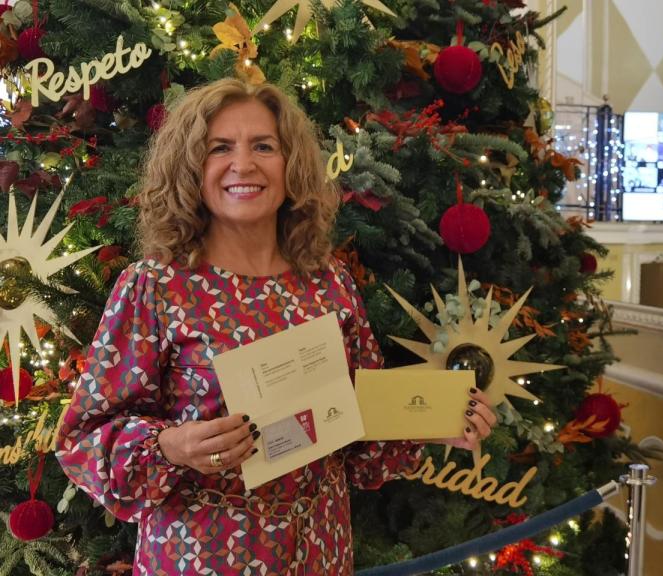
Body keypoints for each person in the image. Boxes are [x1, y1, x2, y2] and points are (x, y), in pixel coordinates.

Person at [55, 78, 497, 575]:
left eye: (263, 146)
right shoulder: (156, 286)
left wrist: (435, 421)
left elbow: (362, 438)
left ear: (292, 166)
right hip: (201, 557)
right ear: (191, 169)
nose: (243, 164)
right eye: (220, 148)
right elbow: (81, 441)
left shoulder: (329, 283)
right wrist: (170, 447)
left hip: (319, 550)